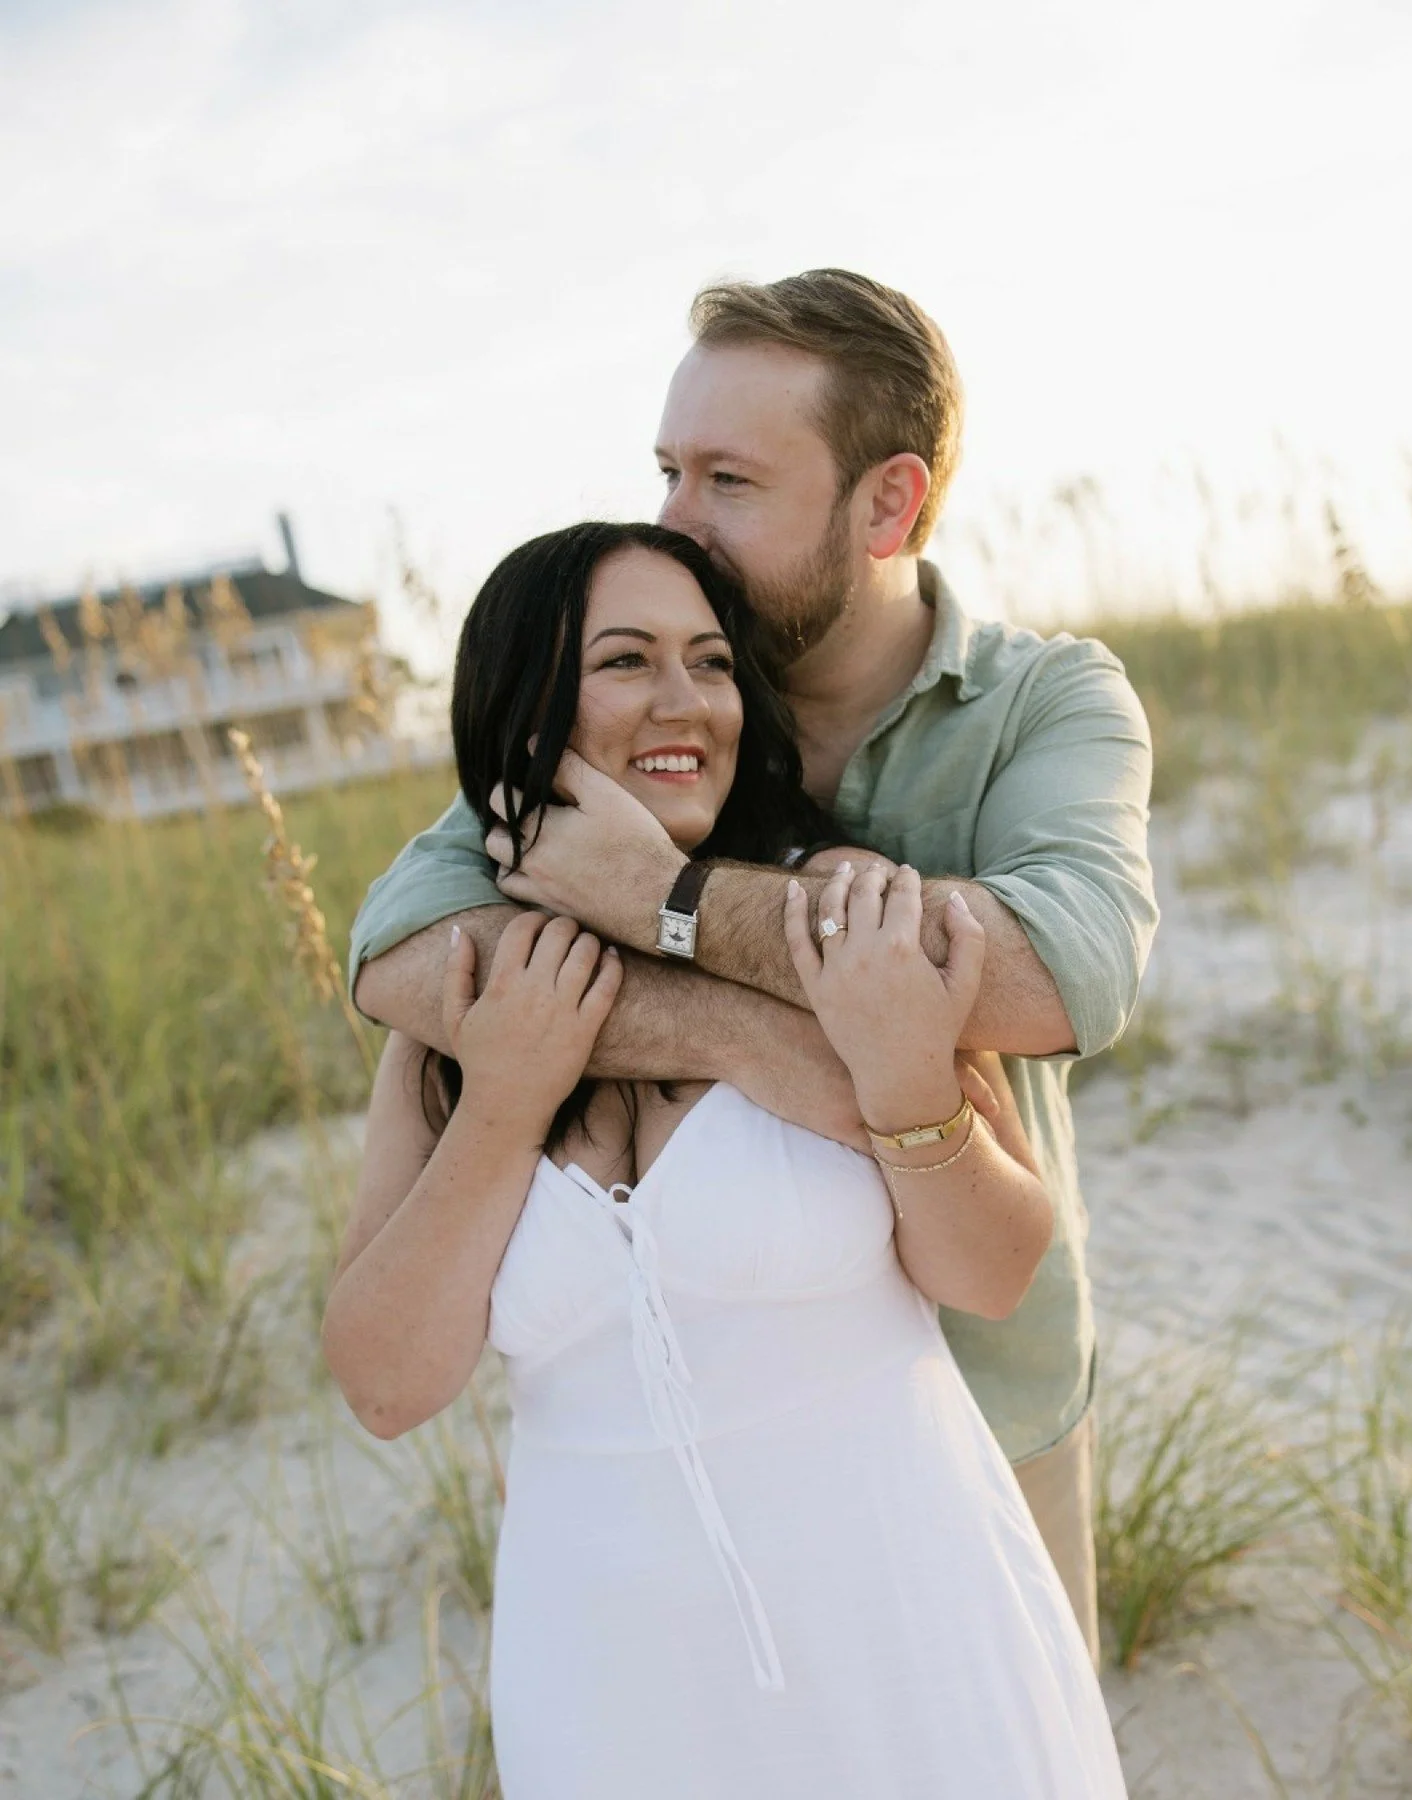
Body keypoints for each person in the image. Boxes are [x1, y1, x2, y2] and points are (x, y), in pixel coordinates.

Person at [348, 270, 1159, 1664]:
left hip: (990, 1382)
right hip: (701, 1454)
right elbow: (408, 952)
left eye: (728, 479)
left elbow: (1066, 975)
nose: (672, 520)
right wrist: (750, 1034)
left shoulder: (1047, 699)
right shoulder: (654, 696)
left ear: (888, 505)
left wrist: (661, 897)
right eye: (667, 468)